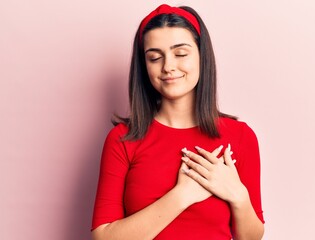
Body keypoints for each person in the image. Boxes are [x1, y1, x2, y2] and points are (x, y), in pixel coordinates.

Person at [91, 4, 265, 240]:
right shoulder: (123, 139)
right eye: (154, 57)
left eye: (181, 53)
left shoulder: (240, 136)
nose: (168, 67)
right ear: (144, 66)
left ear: (202, 56)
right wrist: (182, 195)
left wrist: (237, 194)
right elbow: (103, 237)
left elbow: (251, 237)